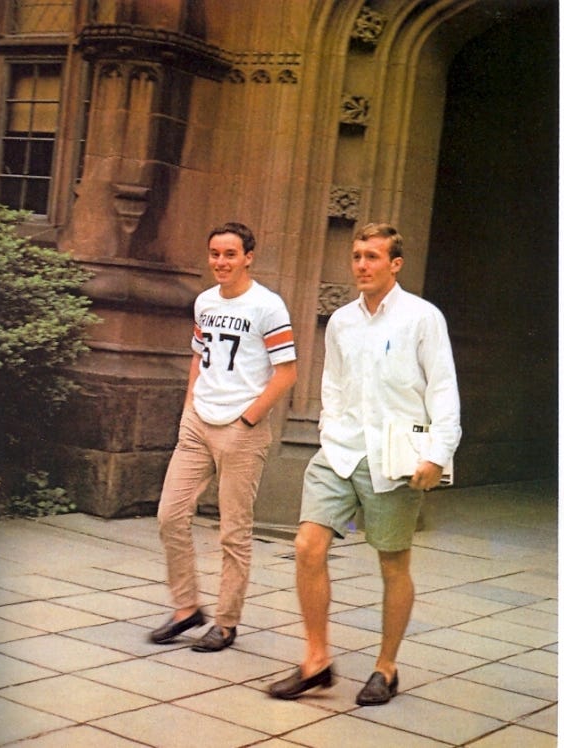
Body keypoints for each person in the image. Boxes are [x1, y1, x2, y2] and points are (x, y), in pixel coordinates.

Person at [269, 222, 460, 704]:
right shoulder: (341, 321)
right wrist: (329, 429)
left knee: (393, 563)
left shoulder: (423, 318)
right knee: (308, 546)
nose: (361, 265)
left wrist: (437, 454)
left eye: (372, 257)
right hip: (340, 451)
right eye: (356, 256)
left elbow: (442, 389)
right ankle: (316, 660)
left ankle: (386, 668)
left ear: (395, 264)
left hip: (394, 459)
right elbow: (332, 383)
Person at [151, 222, 297, 651]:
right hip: (198, 424)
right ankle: (186, 608)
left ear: (248, 257)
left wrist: (248, 420)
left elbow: (287, 372)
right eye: (215, 253)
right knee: (169, 516)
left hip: (241, 430)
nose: (221, 262)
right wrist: (189, 408)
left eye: (230, 254)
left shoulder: (268, 306)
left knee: (234, 531)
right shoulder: (205, 301)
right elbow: (199, 358)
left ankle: (227, 623)